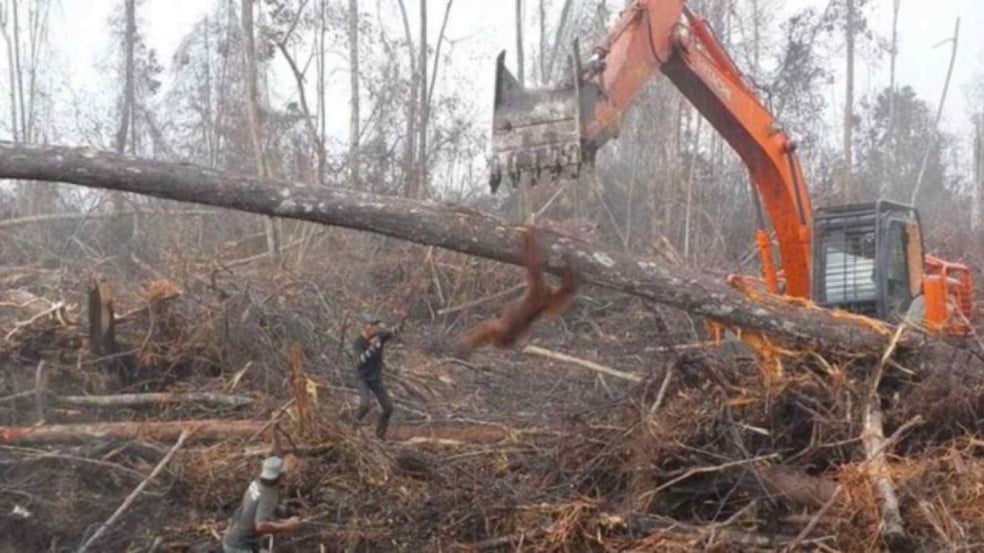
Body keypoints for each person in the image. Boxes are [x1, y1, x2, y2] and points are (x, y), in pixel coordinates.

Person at [222, 456, 300, 553]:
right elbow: (260, 526)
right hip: (240, 546)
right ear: (281, 475)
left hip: (231, 538)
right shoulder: (269, 493)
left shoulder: (257, 482)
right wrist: (287, 526)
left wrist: (287, 511)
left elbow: (260, 505)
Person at [353, 318, 397, 438]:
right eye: (374, 327)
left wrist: (402, 318)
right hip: (363, 378)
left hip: (375, 378)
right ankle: (352, 429)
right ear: (366, 327)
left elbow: (395, 331)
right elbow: (359, 361)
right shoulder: (358, 342)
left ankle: (380, 435)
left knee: (388, 407)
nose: (376, 330)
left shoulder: (379, 337)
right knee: (364, 406)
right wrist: (372, 348)